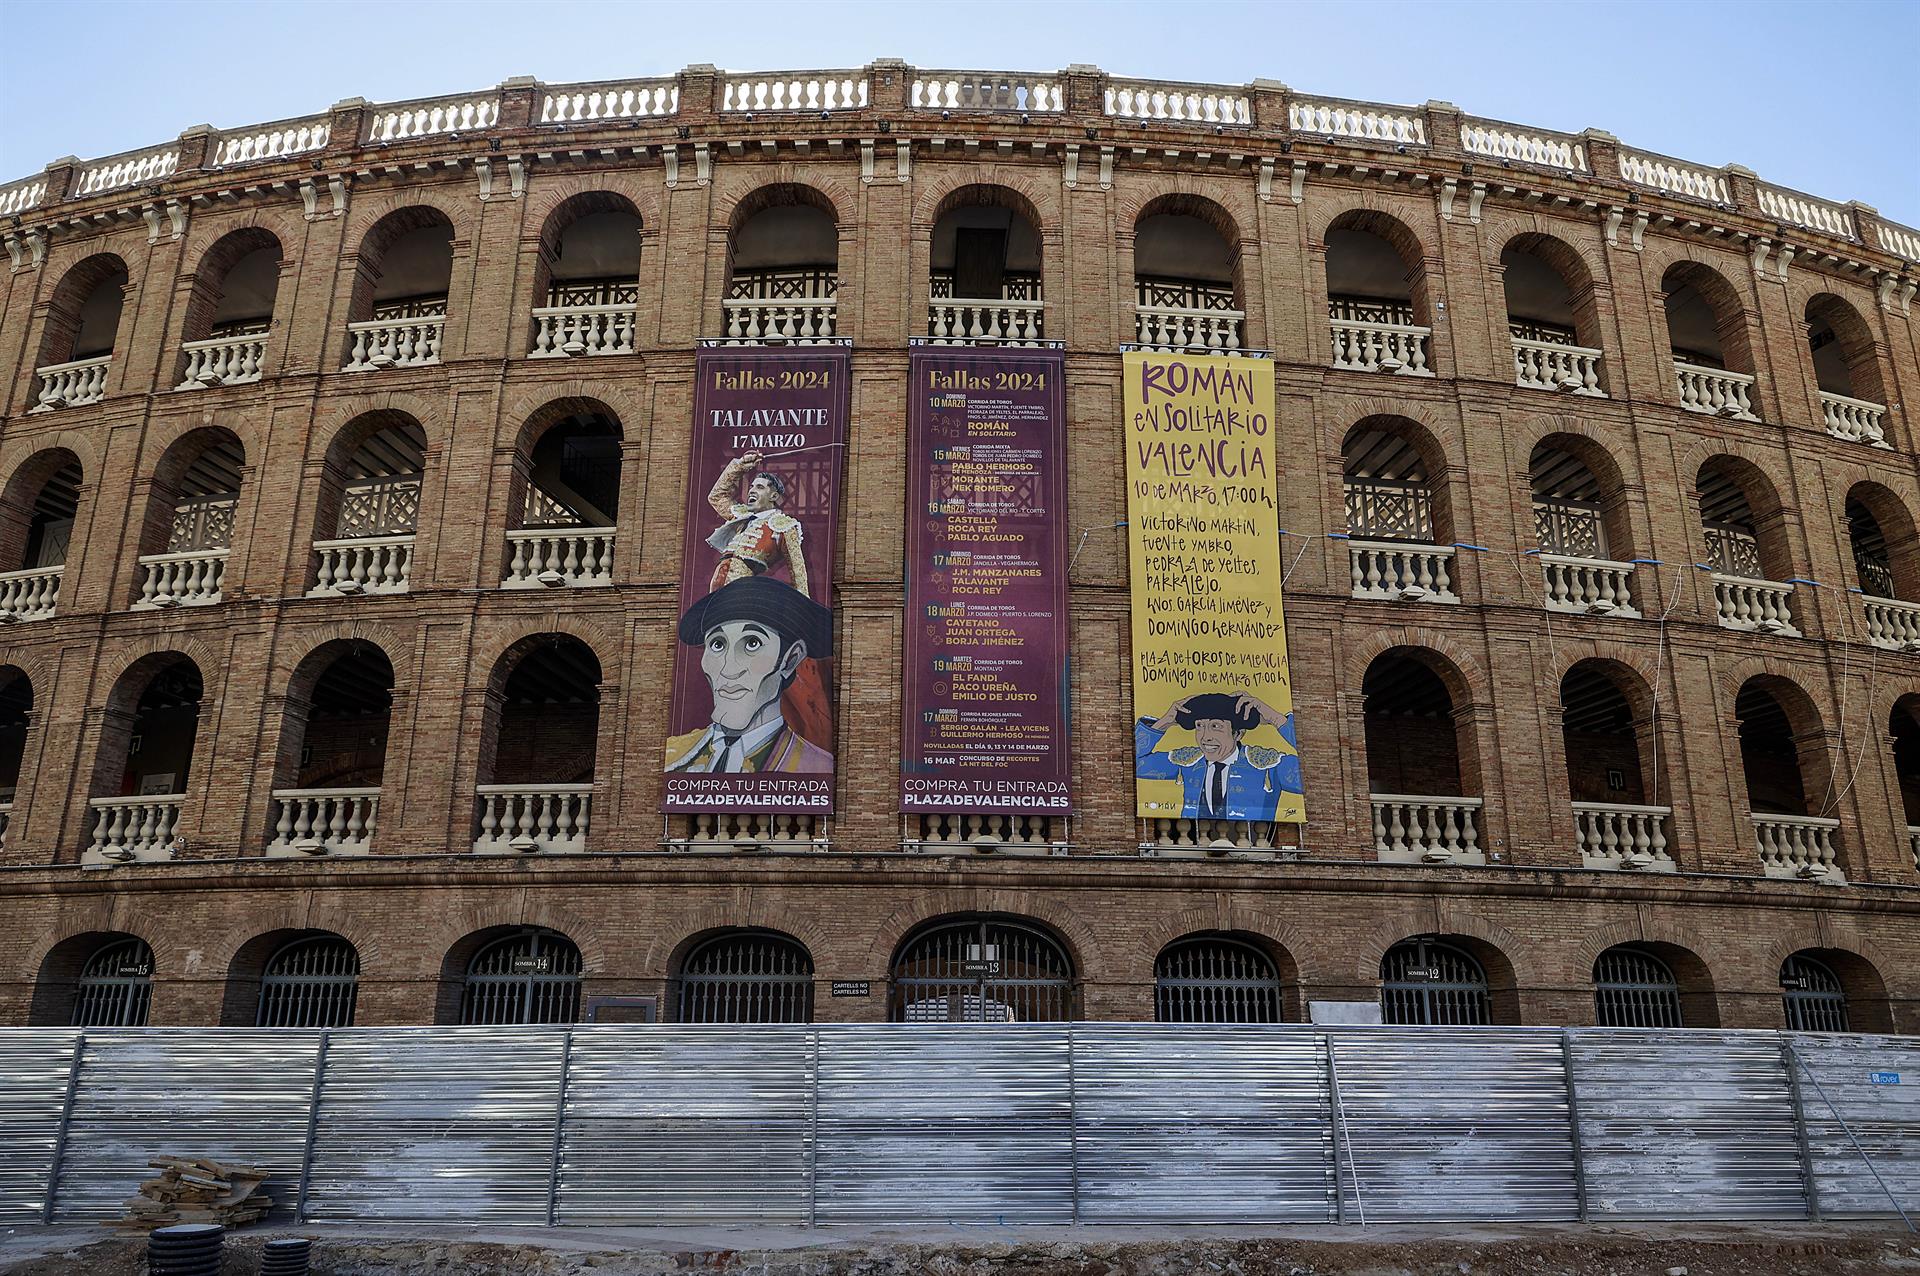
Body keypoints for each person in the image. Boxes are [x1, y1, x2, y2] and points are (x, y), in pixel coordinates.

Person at [666, 575, 833, 774]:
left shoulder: (816, 767)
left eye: (752, 643)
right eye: (717, 644)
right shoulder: (674, 755)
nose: (727, 669)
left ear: (790, 659)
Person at [1134, 690, 1301, 821]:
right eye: (1199, 726)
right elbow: (1134, 764)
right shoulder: (1189, 761)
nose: (1205, 736)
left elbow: (1315, 775)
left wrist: (1275, 718)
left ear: (1238, 734)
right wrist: (1165, 721)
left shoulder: (1266, 764)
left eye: (1215, 726)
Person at [705, 451, 810, 598]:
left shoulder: (783, 526)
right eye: (752, 487)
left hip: (743, 587)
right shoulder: (740, 515)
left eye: (760, 487)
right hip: (716, 585)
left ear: (773, 496)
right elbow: (716, 496)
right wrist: (740, 465)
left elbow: (797, 570)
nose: (752, 491)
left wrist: (802, 606)